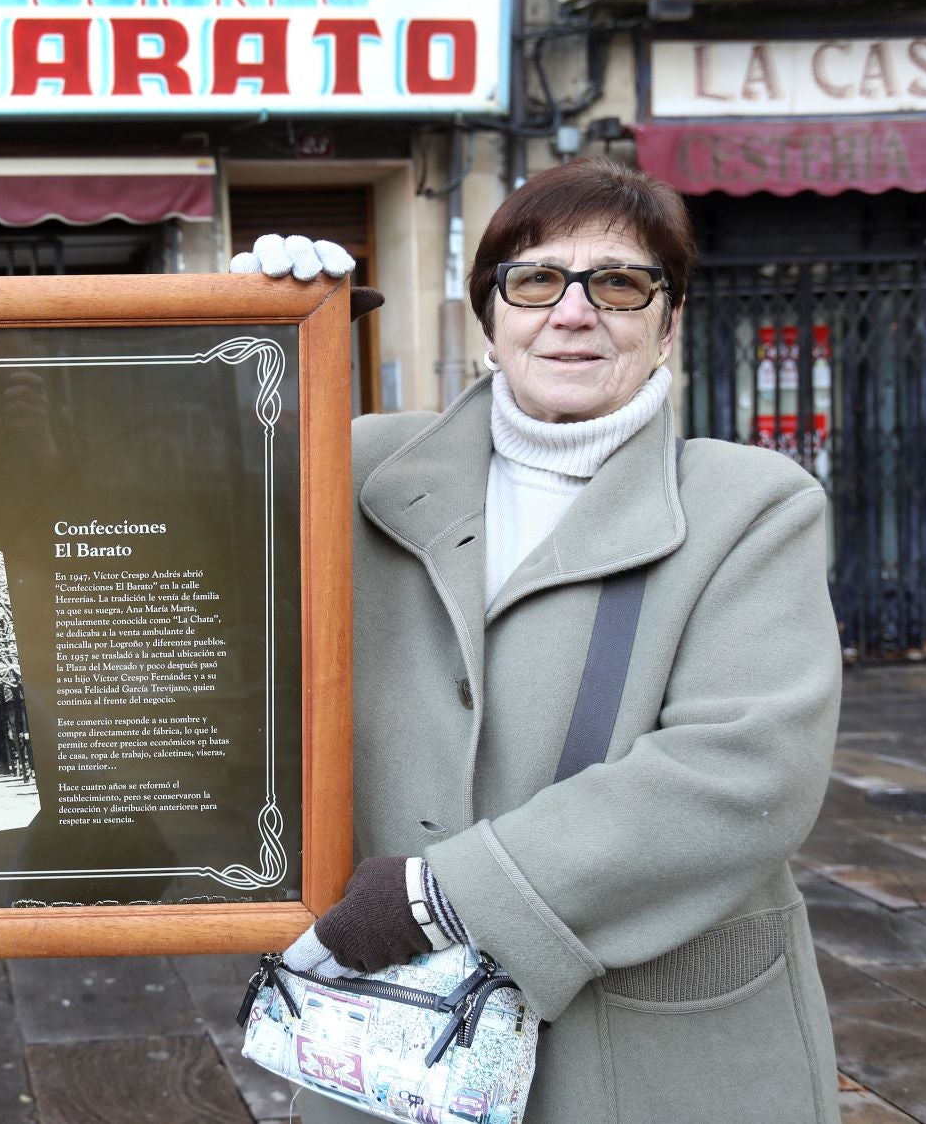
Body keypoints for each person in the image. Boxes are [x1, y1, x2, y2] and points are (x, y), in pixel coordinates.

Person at [234, 159, 842, 1123]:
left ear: (667, 319)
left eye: (620, 283)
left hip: (652, 1049)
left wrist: (445, 896)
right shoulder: (356, 463)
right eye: (535, 280)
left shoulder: (753, 505)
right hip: (400, 1043)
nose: (573, 312)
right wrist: (243, 337)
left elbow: (746, 771)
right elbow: (184, 555)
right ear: (491, 316)